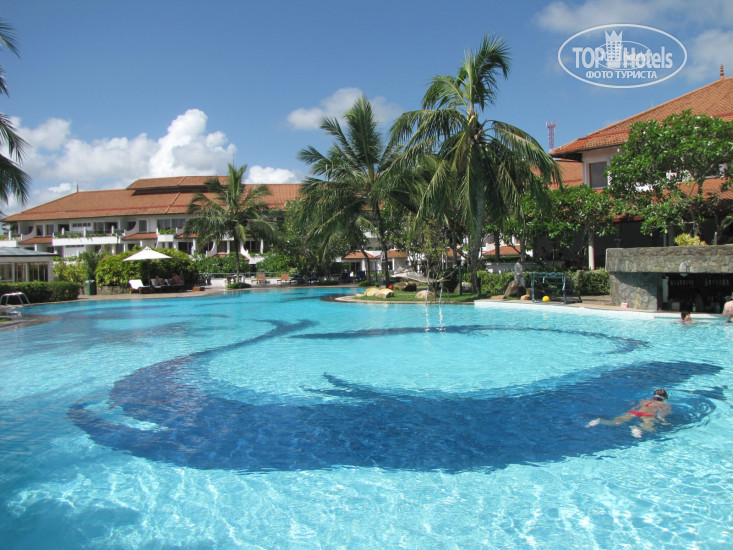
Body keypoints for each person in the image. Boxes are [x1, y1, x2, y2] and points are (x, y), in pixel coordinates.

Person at [587, 389, 670, 438]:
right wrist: (663, 421)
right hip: (647, 415)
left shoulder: (645, 400)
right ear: (665, 397)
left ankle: (599, 420)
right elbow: (661, 415)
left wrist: (628, 413)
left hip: (634, 412)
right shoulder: (665, 405)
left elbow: (634, 407)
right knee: (650, 429)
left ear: (653, 396)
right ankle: (637, 429)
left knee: (615, 422)